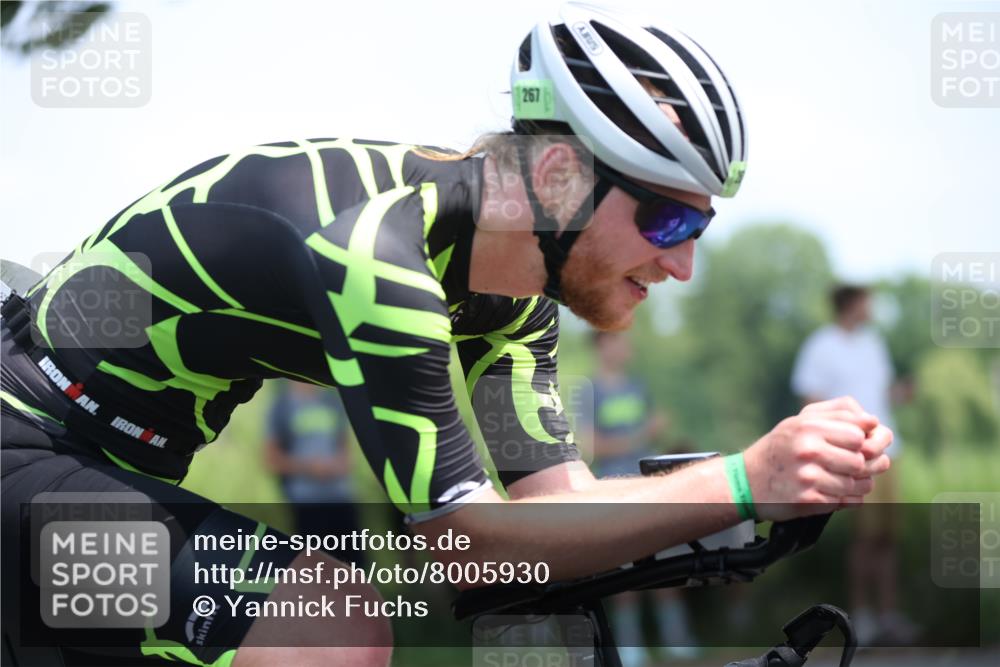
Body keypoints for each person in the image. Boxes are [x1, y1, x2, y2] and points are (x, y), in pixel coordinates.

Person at [1, 4, 892, 666]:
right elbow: (470, 542)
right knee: (329, 621)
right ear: (557, 174)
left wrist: (768, 492)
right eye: (667, 221)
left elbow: (555, 521)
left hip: (111, 465)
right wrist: (742, 479)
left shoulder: (513, 297)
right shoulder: (377, 253)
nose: (684, 263)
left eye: (700, 229)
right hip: (25, 442)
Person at [791, 284, 916, 644]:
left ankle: (888, 616)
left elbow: (881, 394)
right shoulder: (821, 345)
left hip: (889, 448)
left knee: (887, 537)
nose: (872, 307)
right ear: (851, 304)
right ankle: (862, 617)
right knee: (864, 537)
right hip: (854, 453)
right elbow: (810, 400)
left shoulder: (873, 343)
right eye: (867, 301)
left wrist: (902, 393)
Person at [585, 331, 697, 665]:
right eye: (618, 341)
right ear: (601, 345)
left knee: (664, 562)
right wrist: (642, 433)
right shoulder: (590, 392)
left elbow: (650, 437)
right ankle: (630, 648)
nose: (625, 347)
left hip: (649, 486)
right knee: (624, 569)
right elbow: (593, 446)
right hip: (614, 489)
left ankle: (677, 640)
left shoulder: (638, 387)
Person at [264, 381, 362, 564]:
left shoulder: (332, 402)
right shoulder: (281, 406)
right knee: (317, 567)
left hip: (341, 498)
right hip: (306, 502)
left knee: (354, 567)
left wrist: (335, 466)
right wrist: (309, 468)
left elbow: (347, 453)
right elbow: (272, 459)